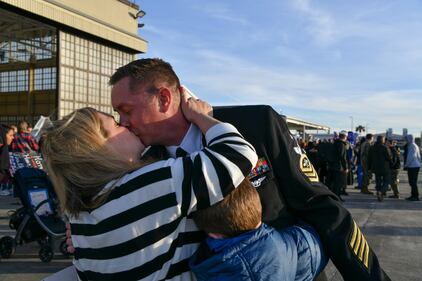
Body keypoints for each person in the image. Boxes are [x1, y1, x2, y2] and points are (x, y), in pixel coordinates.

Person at [66, 58, 391, 280]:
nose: (123, 122)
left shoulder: (255, 123)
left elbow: (321, 206)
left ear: (164, 98)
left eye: (126, 110)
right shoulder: (144, 164)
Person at [42, 97, 258, 280]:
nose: (125, 126)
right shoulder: (144, 186)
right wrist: (201, 116)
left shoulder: (80, 217)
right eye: (115, 125)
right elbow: (239, 153)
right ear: (100, 151)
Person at [189, 178, 326, 280]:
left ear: (213, 235)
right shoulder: (301, 246)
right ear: (258, 207)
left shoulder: (211, 269)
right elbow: (313, 244)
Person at [367, 136, 392, 202]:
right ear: (382, 140)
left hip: (375, 168)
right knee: (386, 181)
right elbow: (389, 158)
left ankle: (379, 192)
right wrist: (392, 164)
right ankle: (381, 191)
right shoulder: (385, 147)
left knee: (378, 181)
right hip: (384, 167)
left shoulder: (372, 147)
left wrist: (369, 167)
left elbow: (369, 158)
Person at [327, 131, 348, 201]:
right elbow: (342, 157)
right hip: (338, 167)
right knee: (337, 184)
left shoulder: (334, 143)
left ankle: (332, 197)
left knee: (331, 183)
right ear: (345, 137)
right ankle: (336, 197)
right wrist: (345, 167)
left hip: (332, 166)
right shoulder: (341, 145)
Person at [403, 134, 421, 201]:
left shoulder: (411, 146)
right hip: (416, 165)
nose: (406, 140)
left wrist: (406, 165)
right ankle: (413, 195)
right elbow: (418, 157)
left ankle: (415, 196)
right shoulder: (415, 145)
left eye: (407, 139)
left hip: (412, 166)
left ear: (409, 139)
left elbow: (410, 157)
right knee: (413, 182)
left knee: (412, 182)